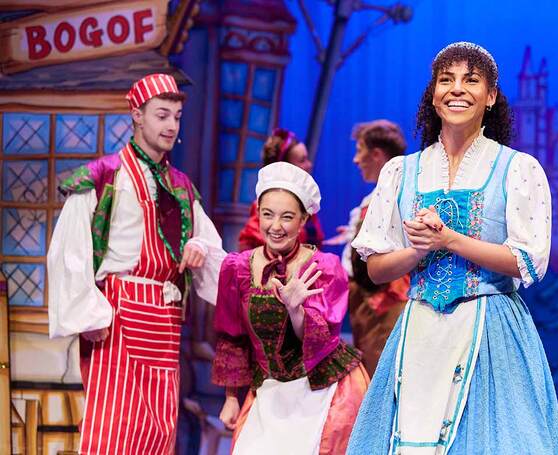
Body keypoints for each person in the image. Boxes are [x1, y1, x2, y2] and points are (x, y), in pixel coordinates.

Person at [347, 42, 558, 454]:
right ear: (433, 94)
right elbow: (375, 269)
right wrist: (417, 251)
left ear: (491, 96)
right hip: (420, 328)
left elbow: (527, 262)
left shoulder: (516, 169)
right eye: (446, 80)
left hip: (490, 326)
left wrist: (450, 240)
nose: (457, 89)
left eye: (471, 80)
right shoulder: (403, 171)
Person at [48, 74, 224, 454]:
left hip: (165, 319)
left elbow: (212, 250)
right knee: (114, 429)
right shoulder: (105, 176)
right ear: (137, 116)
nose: (171, 125)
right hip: (118, 317)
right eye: (162, 115)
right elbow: (70, 249)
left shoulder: (180, 187)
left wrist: (197, 248)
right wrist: (87, 314)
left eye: (177, 116)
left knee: (158, 431)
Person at [213, 161, 369, 454]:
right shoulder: (236, 267)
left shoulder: (324, 267)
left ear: (303, 220)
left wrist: (296, 309)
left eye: (287, 217)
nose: (275, 226)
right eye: (267, 214)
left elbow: (321, 344)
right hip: (270, 389)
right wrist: (232, 397)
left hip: (321, 391)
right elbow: (232, 338)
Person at [329, 119, 410, 376]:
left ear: (376, 154)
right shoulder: (379, 194)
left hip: (383, 301)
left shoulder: (399, 192)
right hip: (368, 302)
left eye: (359, 150)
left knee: (380, 376)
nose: (355, 160)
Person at [238, 128, 324, 250]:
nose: (309, 165)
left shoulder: (305, 202)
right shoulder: (264, 206)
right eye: (302, 160)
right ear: (285, 166)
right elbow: (250, 248)